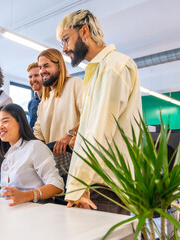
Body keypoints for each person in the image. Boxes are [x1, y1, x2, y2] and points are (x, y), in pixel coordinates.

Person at [57, 9, 142, 214]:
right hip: (96, 182)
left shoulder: (114, 66)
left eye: (66, 39)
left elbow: (99, 131)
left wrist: (78, 186)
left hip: (104, 185)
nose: (64, 48)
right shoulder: (98, 70)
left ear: (84, 32)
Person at [34, 48, 82, 157]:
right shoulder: (44, 101)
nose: (42, 71)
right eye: (40, 67)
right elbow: (38, 135)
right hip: (55, 163)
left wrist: (70, 134)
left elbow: (89, 116)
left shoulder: (75, 84)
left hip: (75, 158)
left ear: (59, 66)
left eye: (46, 66)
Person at [27, 62, 43, 131]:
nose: (33, 80)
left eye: (36, 75)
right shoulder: (31, 103)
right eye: (30, 77)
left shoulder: (52, 98)